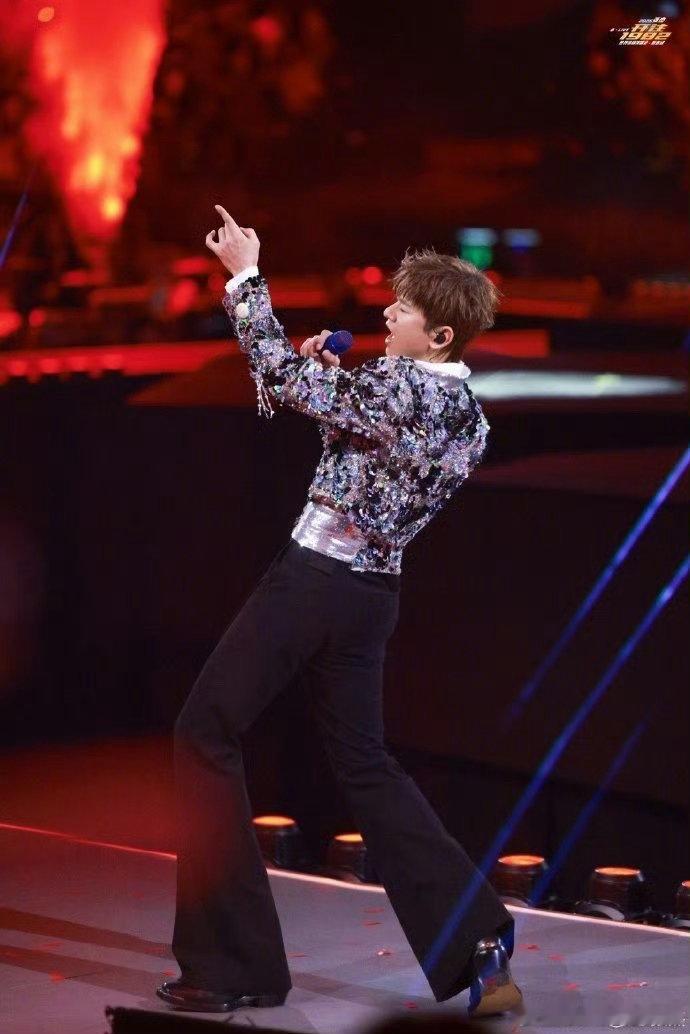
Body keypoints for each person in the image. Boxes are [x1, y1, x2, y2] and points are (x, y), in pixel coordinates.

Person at [156, 205, 524, 1018]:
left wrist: (246, 277)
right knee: (364, 764)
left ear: (439, 337)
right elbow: (346, 436)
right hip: (371, 598)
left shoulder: (393, 386)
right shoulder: (470, 418)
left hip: (314, 583)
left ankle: (233, 964)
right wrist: (324, 385)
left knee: (203, 732)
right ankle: (477, 942)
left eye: (405, 308)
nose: (388, 312)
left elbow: (285, 383)